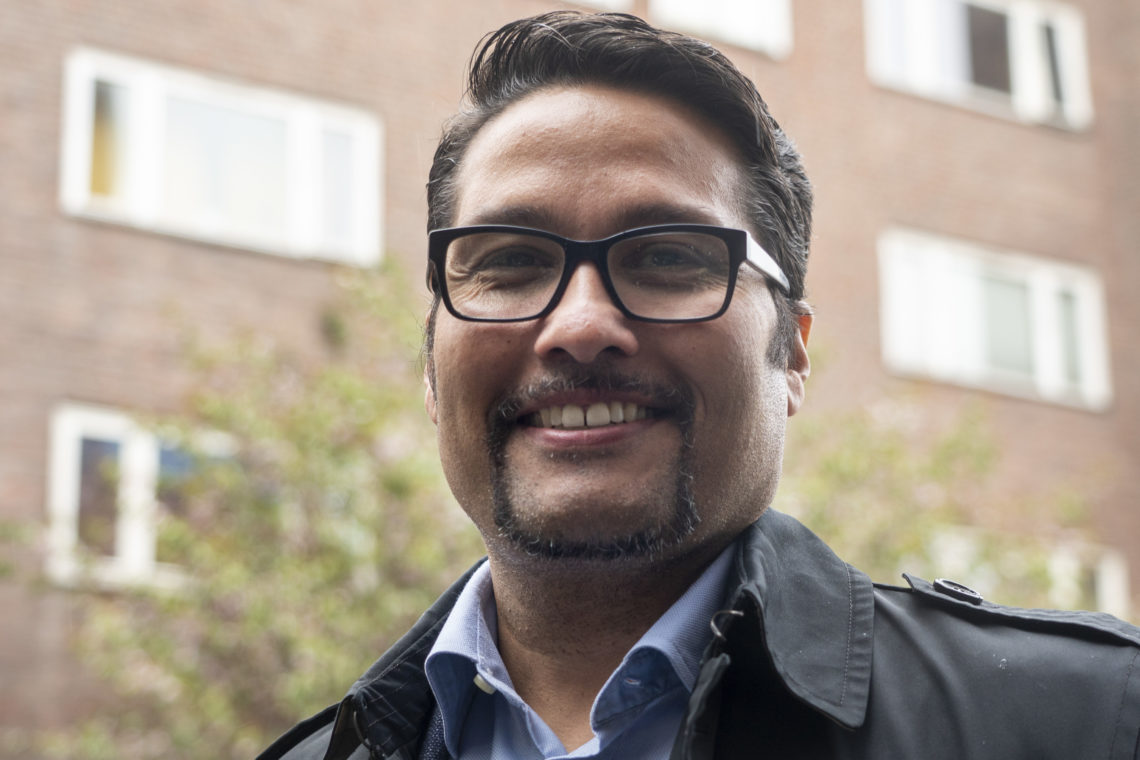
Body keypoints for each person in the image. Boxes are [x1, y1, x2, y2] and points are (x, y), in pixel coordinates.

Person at [259, 11, 1140, 760]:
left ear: (792, 355)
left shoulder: (1092, 720)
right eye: (512, 263)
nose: (580, 326)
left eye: (668, 257)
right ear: (430, 364)